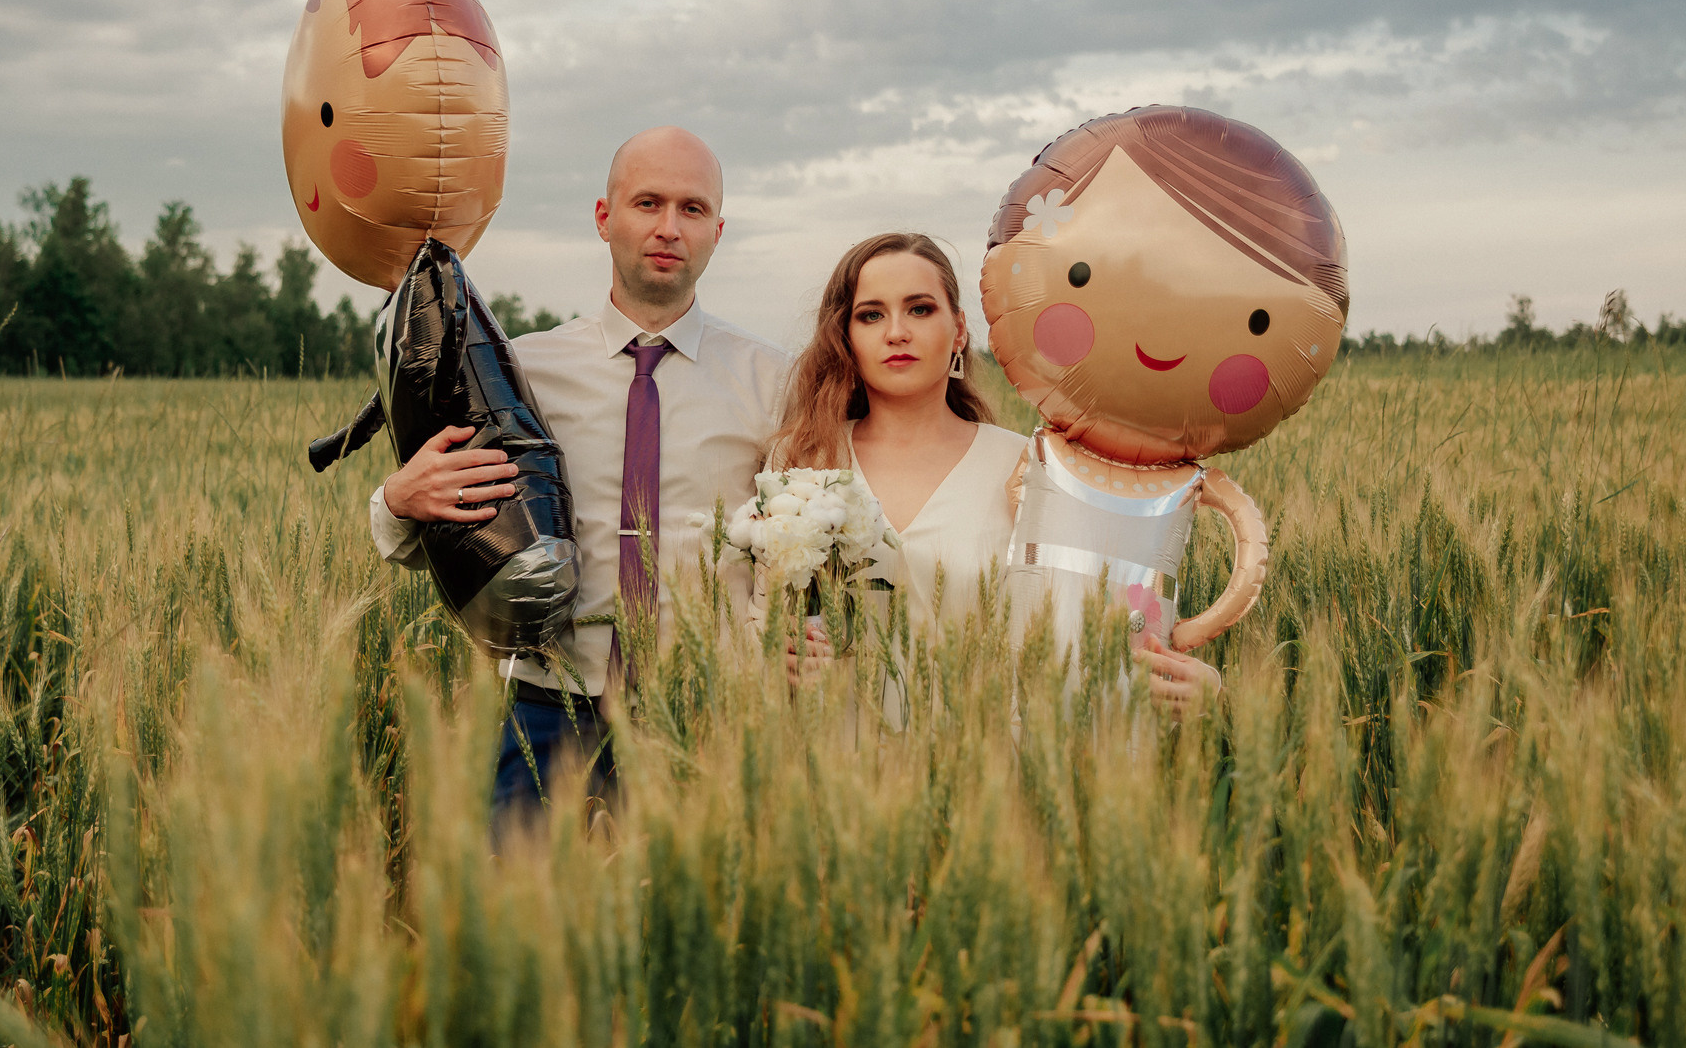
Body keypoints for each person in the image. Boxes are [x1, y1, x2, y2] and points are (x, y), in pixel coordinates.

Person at [368, 125, 788, 831]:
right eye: (647, 203)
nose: (667, 227)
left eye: (691, 209)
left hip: (707, 715)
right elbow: (454, 518)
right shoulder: (522, 370)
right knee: (524, 931)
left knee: (688, 936)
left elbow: (808, 538)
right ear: (604, 217)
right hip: (547, 712)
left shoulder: (774, 382)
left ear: (718, 230)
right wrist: (397, 502)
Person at [767, 231, 1218, 710]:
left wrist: (1201, 682)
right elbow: (757, 618)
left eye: (920, 309)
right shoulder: (804, 458)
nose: (896, 331)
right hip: (829, 764)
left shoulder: (1031, 468)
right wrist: (778, 654)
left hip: (982, 766)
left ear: (959, 329)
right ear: (846, 336)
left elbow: (1108, 617)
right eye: (871, 314)